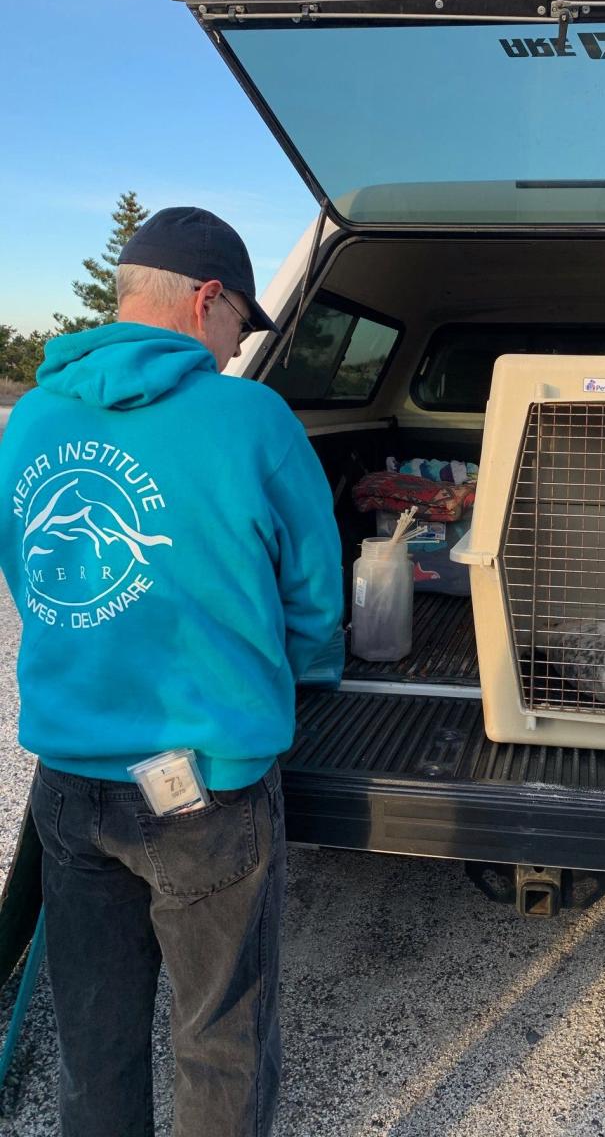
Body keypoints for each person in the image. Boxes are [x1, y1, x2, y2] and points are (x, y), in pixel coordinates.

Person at [0, 207, 344, 1136]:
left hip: (69, 784)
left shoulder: (29, 419)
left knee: (95, 1029)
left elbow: (34, 576)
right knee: (219, 1032)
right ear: (206, 300)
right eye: (239, 323)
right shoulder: (251, 418)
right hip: (208, 794)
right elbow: (314, 596)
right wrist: (303, 676)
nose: (237, 347)